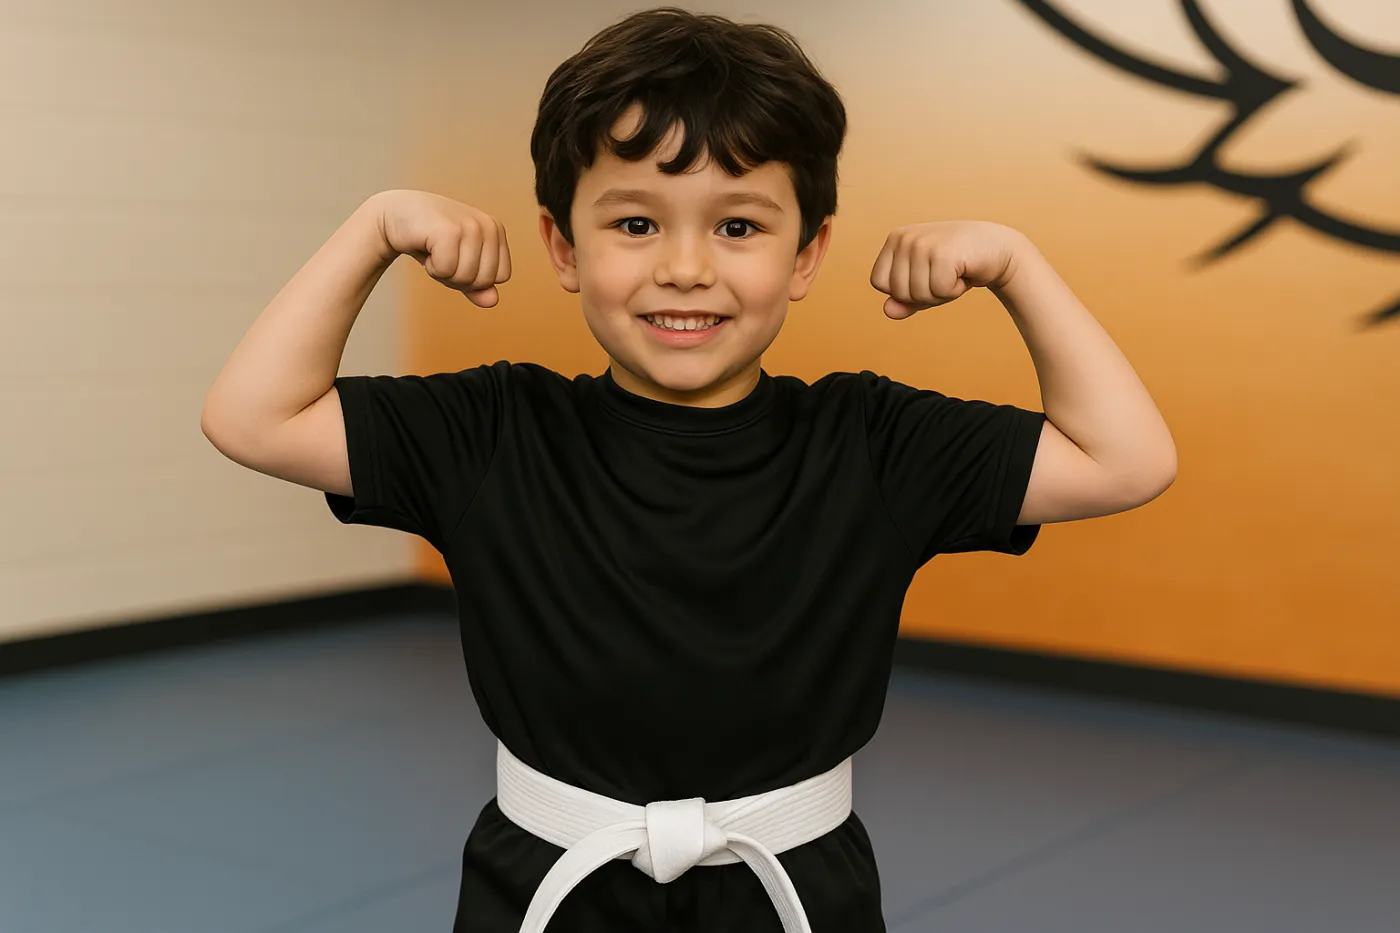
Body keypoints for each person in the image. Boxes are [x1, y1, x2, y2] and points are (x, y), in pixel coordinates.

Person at [200, 7, 1176, 932]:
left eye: (738, 227)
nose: (684, 267)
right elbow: (253, 417)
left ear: (806, 254)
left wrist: (1016, 266)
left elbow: (1122, 460)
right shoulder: (494, 429)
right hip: (543, 880)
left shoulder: (871, 441)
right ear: (560, 244)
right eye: (634, 225)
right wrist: (370, 231)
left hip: (792, 886)